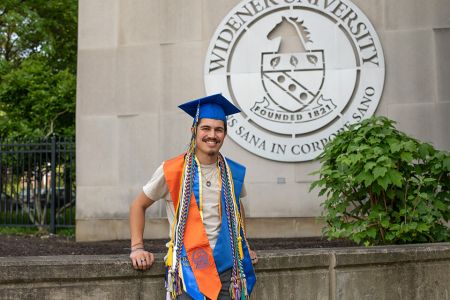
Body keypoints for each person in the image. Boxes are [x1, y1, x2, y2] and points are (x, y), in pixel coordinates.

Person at [129, 94, 257, 300]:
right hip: (187, 268)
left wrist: (244, 245)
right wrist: (137, 248)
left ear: (225, 134)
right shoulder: (172, 170)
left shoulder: (232, 171)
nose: (212, 135)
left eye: (219, 129)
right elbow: (138, 205)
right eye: (206, 128)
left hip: (227, 267)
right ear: (194, 131)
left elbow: (237, 206)